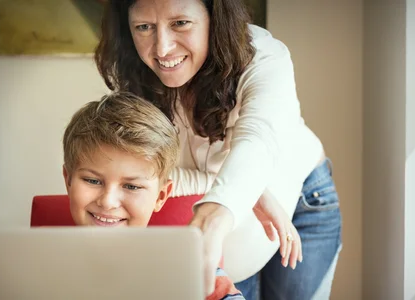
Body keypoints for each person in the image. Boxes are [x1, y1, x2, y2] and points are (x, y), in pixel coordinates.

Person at [95, 0, 343, 299]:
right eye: (144, 27)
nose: (161, 49)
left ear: (215, 17)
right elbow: (148, 174)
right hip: (221, 207)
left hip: (301, 201)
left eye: (180, 23)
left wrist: (217, 212)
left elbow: (257, 137)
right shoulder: (137, 75)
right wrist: (252, 193)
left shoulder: (263, 54)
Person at [61, 92, 244, 300]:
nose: (108, 202)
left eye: (131, 186)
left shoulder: (195, 273)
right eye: (93, 181)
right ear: (68, 180)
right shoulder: (40, 266)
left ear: (161, 196)